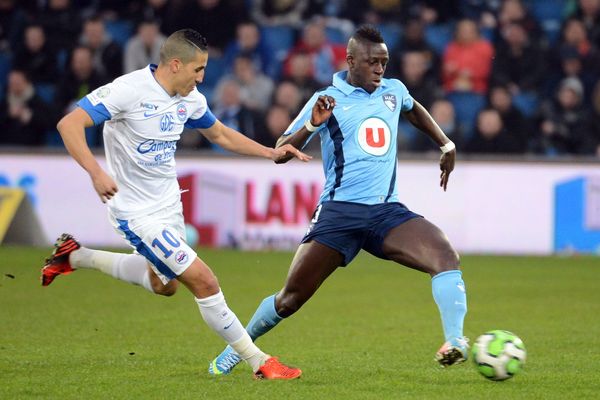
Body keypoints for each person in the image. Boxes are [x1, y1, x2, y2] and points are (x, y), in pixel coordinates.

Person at [40, 29, 307, 380]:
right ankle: (259, 361)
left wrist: (271, 153)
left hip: (168, 205)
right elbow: (69, 124)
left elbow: (221, 134)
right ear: (176, 64)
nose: (201, 78)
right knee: (204, 281)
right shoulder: (128, 90)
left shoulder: (190, 98)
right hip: (134, 211)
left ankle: (75, 256)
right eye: (198, 70)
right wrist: (95, 172)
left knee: (165, 285)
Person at [208, 25, 468, 375]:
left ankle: (454, 341)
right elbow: (282, 150)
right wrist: (313, 126)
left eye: (384, 62)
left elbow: (412, 108)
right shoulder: (327, 98)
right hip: (339, 214)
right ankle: (236, 349)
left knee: (445, 256)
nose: (380, 69)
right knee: (290, 298)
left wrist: (446, 143)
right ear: (350, 61)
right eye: (372, 62)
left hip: (386, 212)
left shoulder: (393, 90)